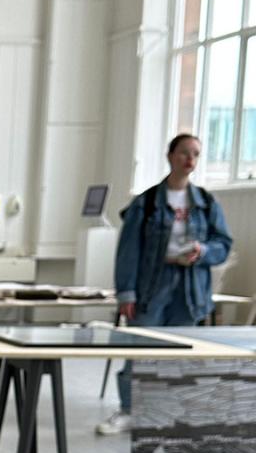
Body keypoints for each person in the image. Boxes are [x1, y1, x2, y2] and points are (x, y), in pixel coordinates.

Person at [96, 133, 233, 435]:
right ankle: (129, 410)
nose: (190, 159)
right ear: (170, 156)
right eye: (185, 152)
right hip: (152, 286)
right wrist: (126, 292)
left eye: (196, 154)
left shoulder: (207, 203)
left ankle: (171, 414)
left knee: (181, 353)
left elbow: (223, 244)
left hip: (190, 288)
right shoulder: (145, 203)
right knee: (140, 350)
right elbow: (129, 250)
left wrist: (203, 251)